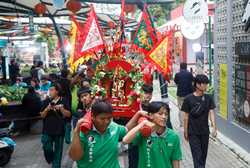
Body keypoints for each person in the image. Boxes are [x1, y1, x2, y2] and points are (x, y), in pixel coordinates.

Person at [68, 99, 127, 168]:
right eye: (102, 119)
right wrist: (76, 132)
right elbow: (75, 157)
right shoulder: (84, 131)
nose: (107, 122)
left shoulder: (114, 127)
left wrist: (137, 115)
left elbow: (127, 130)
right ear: (92, 116)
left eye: (109, 118)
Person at [123, 101, 182, 168]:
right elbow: (125, 140)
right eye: (160, 114)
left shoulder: (173, 136)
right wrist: (142, 124)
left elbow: (175, 160)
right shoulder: (143, 133)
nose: (164, 117)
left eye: (166, 114)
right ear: (150, 115)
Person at [181, 74, 217, 168]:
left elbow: (211, 112)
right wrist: (185, 131)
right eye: (204, 84)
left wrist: (214, 127)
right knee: (197, 157)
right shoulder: (188, 99)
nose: (206, 86)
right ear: (197, 85)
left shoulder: (208, 98)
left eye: (206, 84)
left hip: (205, 132)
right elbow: (186, 117)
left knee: (203, 157)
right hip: (193, 133)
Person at [40, 83, 71, 168]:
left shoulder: (64, 100)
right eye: (49, 90)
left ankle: (56, 166)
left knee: (58, 152)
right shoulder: (46, 101)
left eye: (52, 90)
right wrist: (47, 109)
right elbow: (42, 115)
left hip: (59, 130)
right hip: (47, 130)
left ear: (57, 91)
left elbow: (68, 114)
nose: (50, 92)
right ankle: (50, 158)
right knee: (47, 147)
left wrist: (61, 109)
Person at [174, 62, 194, 127]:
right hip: (189, 94)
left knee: (181, 108)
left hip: (180, 94)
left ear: (180, 67)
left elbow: (176, 82)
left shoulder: (177, 74)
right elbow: (193, 81)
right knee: (189, 108)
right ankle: (189, 122)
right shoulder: (189, 74)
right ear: (186, 67)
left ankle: (182, 124)